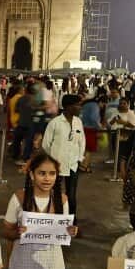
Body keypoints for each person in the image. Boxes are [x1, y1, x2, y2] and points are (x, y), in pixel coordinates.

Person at [42, 94, 86, 222]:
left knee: (71, 196)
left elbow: (82, 141)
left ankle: (71, 221)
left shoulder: (78, 122)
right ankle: (55, 220)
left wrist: (79, 159)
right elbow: (46, 144)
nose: (79, 108)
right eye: (77, 105)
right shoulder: (55, 123)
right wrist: (53, 161)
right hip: (56, 166)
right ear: (68, 106)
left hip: (73, 165)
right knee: (56, 194)